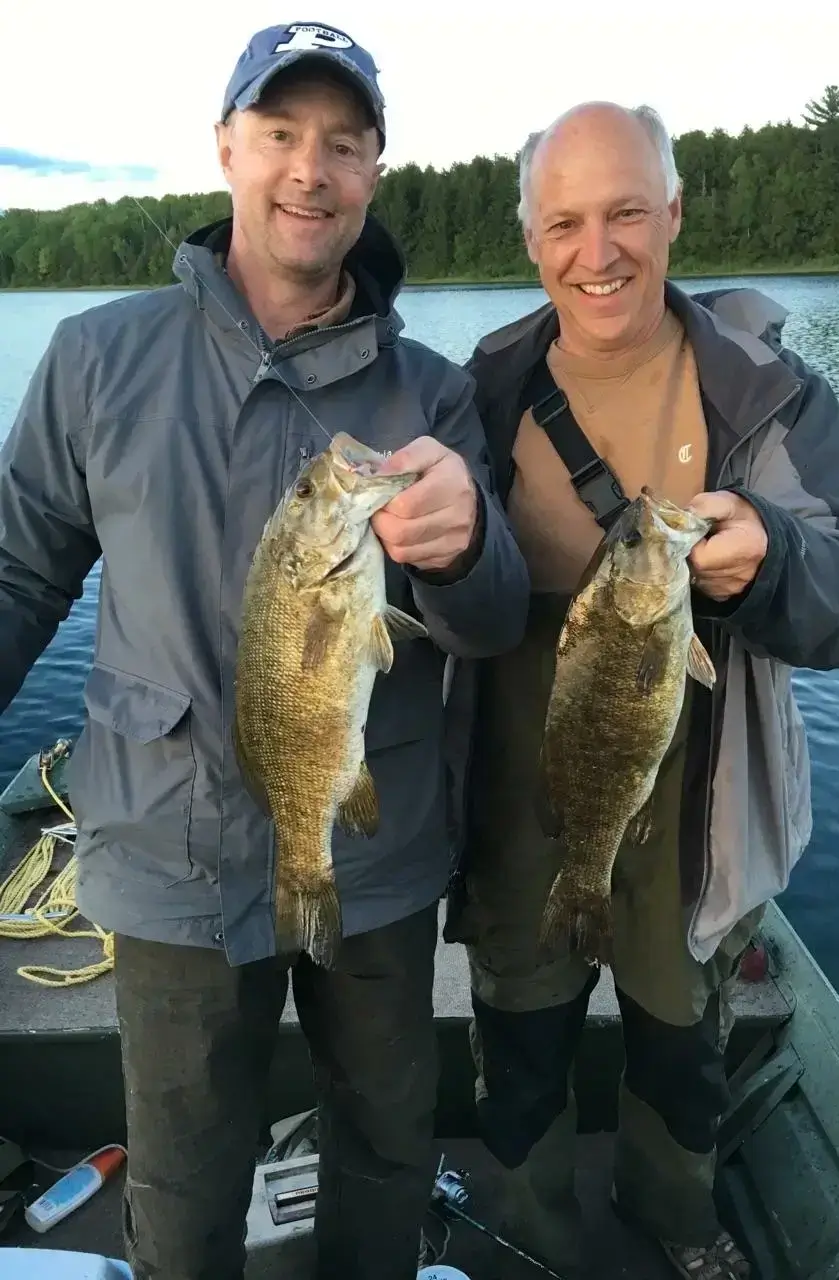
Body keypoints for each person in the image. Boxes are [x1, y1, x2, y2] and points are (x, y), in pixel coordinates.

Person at [0, 20, 529, 1280]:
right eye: (282, 133)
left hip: (380, 852)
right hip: (169, 855)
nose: (310, 168)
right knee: (181, 1174)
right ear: (226, 148)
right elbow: (20, 571)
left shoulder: (433, 393)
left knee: (389, 1140)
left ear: (375, 172)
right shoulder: (95, 358)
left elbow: (496, 620)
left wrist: (460, 553)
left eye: (342, 143)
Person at [443, 100, 839, 1280]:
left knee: (677, 1036)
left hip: (693, 791)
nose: (596, 253)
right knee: (522, 1028)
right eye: (565, 222)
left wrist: (779, 562)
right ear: (532, 239)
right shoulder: (480, 387)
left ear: (676, 214)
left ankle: (674, 1212)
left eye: (626, 214)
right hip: (515, 791)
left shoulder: (763, 390)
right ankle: (536, 1234)